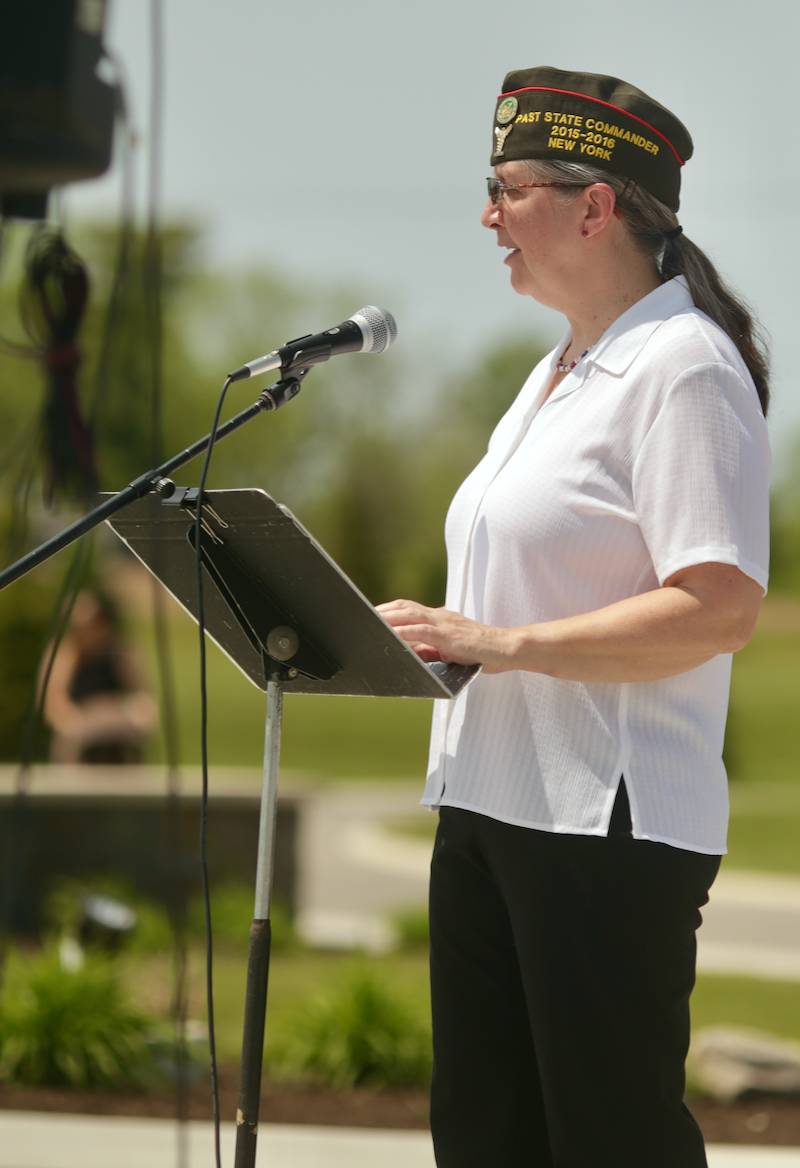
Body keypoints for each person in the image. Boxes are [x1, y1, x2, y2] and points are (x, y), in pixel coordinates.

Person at [377, 66, 770, 1167]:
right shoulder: (557, 369)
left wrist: (501, 646)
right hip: (491, 805)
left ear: (593, 205)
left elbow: (718, 605)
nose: (487, 214)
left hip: (606, 824)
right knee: (486, 1140)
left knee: (606, 1142)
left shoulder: (681, 365)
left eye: (506, 188)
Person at [43, 588, 157, 764]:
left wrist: (139, 712)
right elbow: (54, 700)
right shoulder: (64, 654)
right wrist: (74, 721)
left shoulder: (119, 651)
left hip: (116, 720)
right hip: (81, 727)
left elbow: (140, 692)